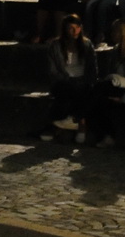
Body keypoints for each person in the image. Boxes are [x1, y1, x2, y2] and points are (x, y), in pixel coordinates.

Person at [86, 20, 125, 147]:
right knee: (97, 93)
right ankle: (99, 132)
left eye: (114, 31)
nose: (111, 34)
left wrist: (123, 99)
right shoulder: (117, 50)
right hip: (119, 85)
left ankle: (106, 135)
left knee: (101, 97)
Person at [41, 12, 97, 141]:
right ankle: (80, 123)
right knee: (67, 91)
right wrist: (68, 79)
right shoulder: (55, 46)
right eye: (71, 28)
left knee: (84, 91)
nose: (74, 31)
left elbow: (92, 68)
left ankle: (57, 126)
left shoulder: (87, 44)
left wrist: (87, 80)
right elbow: (53, 70)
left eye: (77, 27)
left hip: (82, 80)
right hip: (63, 80)